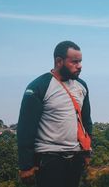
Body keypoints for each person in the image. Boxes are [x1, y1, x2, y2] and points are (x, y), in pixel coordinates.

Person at [17, 41, 92, 187]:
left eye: (80, 61)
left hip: (75, 157)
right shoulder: (39, 87)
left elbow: (86, 120)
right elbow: (26, 128)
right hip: (49, 159)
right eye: (74, 62)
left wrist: (87, 151)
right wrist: (26, 166)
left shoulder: (81, 86)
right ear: (59, 61)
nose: (80, 66)